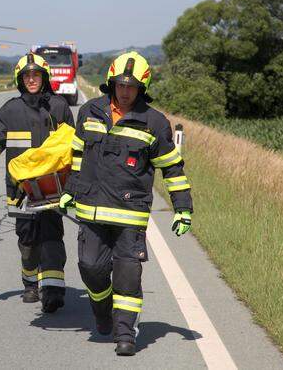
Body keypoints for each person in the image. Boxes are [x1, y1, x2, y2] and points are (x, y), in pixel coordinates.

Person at [60, 51, 193, 356]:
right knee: (90, 268)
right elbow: (78, 157)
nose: (125, 90)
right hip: (91, 210)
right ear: (111, 82)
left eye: (131, 86)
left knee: (127, 274)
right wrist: (70, 189)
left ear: (142, 88)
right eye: (120, 84)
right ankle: (103, 308)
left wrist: (182, 207)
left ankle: (126, 333)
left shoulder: (155, 123)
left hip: (130, 214)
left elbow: (172, 168)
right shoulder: (90, 112)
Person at [0, 53, 75, 312]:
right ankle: (30, 283)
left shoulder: (59, 107)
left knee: (52, 235)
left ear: (44, 78)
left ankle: (53, 290)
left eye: (36, 75)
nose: (32, 79)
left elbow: (74, 145)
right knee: (28, 240)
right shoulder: (10, 109)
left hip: (53, 187)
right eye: (27, 76)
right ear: (20, 80)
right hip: (21, 189)